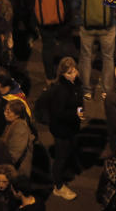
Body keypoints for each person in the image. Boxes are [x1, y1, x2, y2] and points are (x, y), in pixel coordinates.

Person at [46, 57, 84, 200]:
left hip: (71, 126)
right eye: (69, 72)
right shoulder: (60, 90)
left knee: (68, 152)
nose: (73, 74)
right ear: (62, 74)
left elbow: (79, 100)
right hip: (61, 129)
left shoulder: (75, 84)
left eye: (74, 70)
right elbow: (58, 113)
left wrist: (80, 110)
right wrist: (76, 113)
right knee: (60, 158)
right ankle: (58, 186)